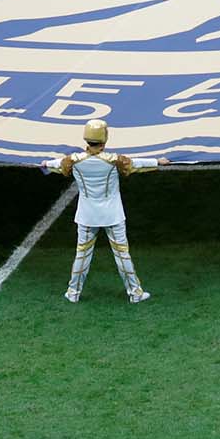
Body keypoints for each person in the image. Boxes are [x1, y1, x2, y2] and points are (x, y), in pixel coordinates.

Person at [41, 119, 162, 303]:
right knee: (122, 254)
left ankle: (73, 293)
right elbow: (136, 164)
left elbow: (56, 165)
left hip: (87, 216)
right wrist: (158, 162)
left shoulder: (73, 160)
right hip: (113, 215)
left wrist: (46, 164)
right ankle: (135, 293)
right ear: (104, 139)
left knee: (82, 254)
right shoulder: (114, 160)